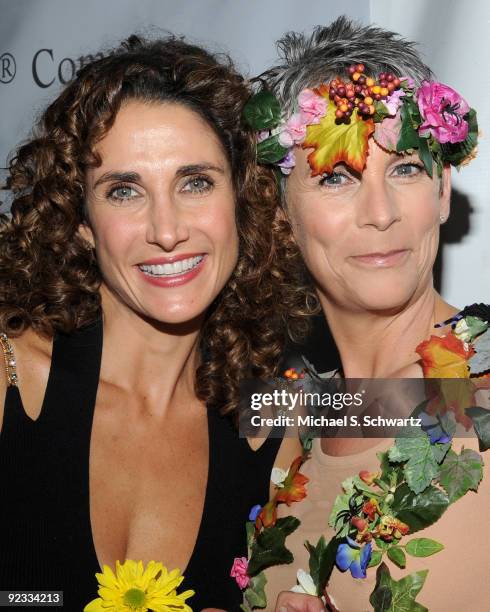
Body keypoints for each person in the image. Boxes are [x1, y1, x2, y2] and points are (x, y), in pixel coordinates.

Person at [0, 35, 303, 611]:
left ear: (242, 198)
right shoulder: (11, 373)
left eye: (195, 182)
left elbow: (441, 413)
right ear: (82, 220)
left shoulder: (277, 406)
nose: (166, 230)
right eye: (123, 191)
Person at [249, 16, 489, 611]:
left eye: (405, 168)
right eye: (335, 177)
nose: (379, 213)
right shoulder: (287, 421)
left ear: (442, 192)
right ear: (282, 215)